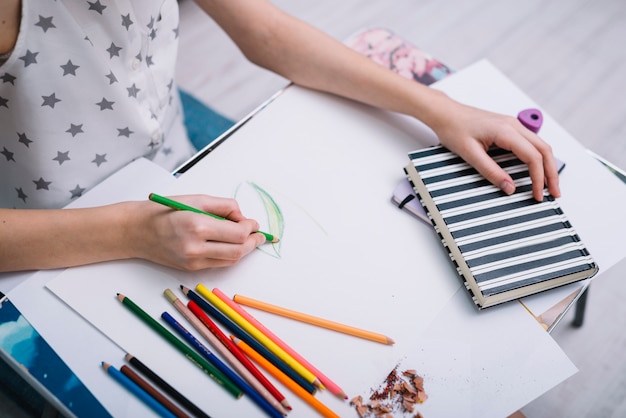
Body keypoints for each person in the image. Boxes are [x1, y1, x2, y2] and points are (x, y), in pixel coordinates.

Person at [0, 0, 560, 274]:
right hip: (46, 231)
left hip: (170, 163)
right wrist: (130, 231)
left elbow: (265, 30)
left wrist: (440, 109)